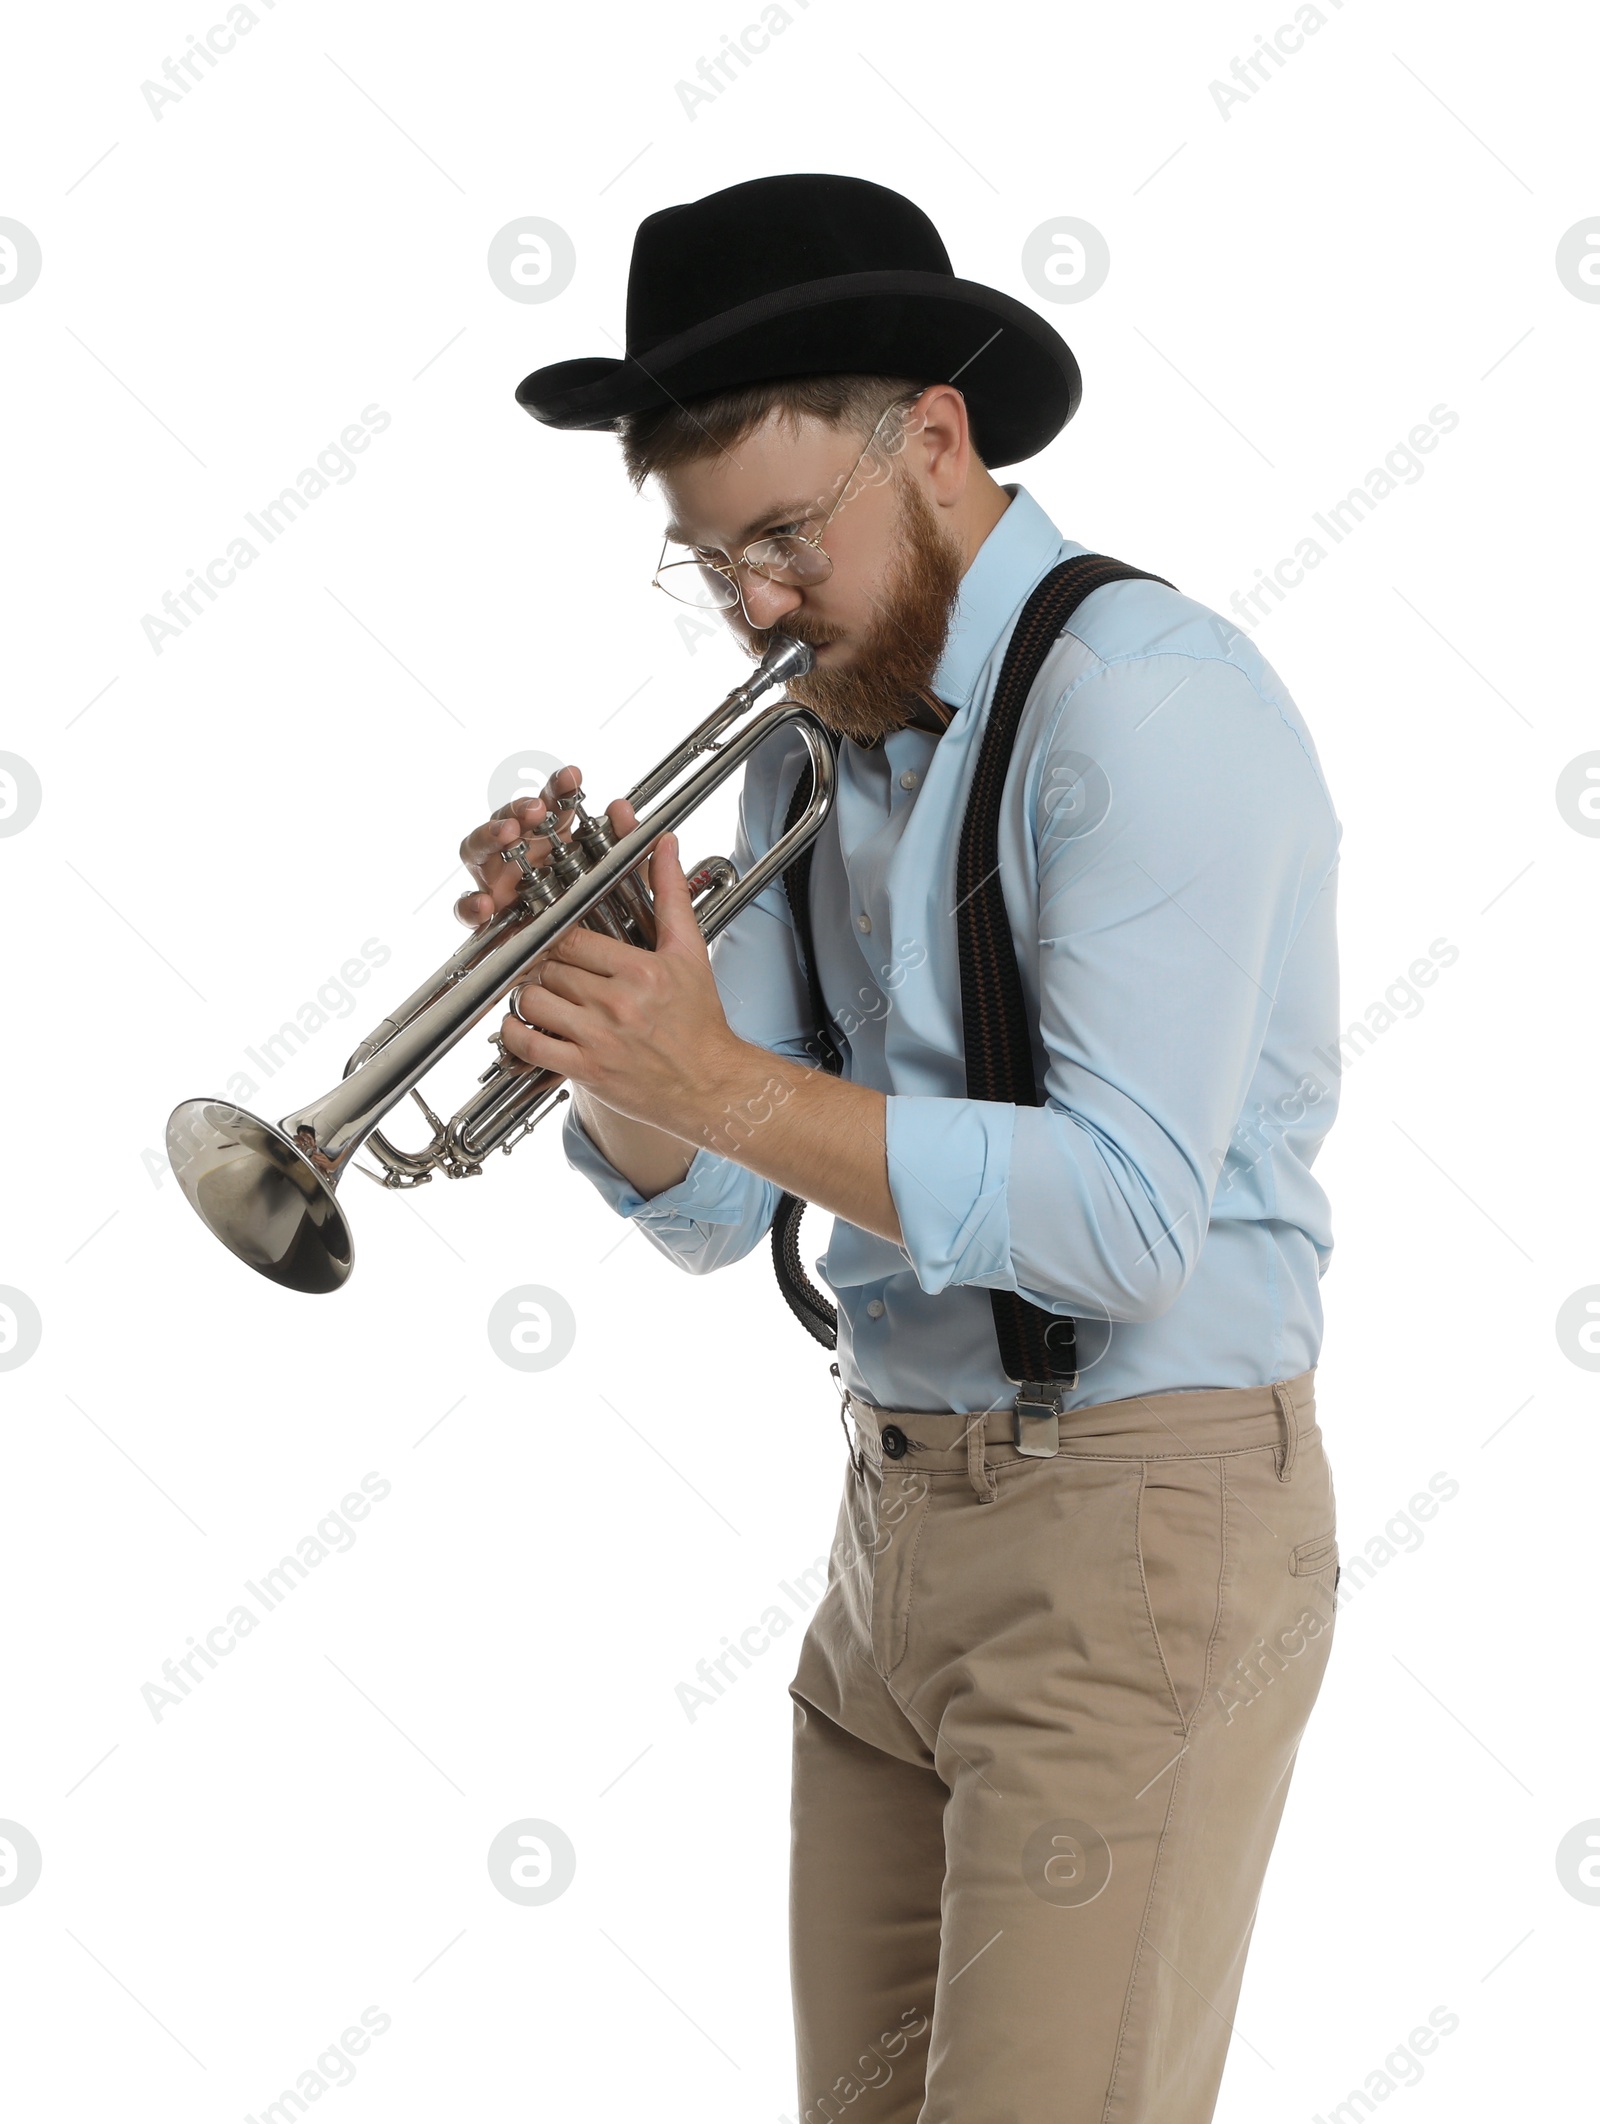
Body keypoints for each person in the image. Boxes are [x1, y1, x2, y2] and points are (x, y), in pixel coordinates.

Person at [456, 173, 1343, 2124]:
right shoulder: (817, 741)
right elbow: (708, 1200)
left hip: (1132, 1520)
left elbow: (1115, 1223)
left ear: (933, 439)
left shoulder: (1149, 705)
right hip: (886, 1537)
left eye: (785, 538)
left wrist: (721, 1082)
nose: (756, 607)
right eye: (714, 566)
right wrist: (613, 1022)